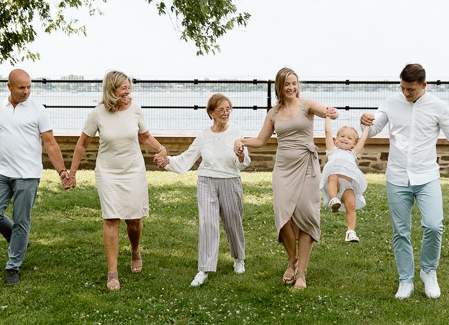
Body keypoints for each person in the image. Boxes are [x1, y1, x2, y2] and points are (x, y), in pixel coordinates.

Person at [360, 63, 449, 300]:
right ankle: (406, 280)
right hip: (396, 177)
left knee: (434, 225)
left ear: (424, 85)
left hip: (427, 177)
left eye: (411, 89)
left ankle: (428, 271)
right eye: (403, 88)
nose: (406, 93)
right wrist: (364, 121)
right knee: (400, 231)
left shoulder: (438, 106)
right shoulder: (391, 102)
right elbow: (373, 130)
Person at [235, 67, 338, 290]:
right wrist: (241, 140)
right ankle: (292, 260)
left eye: (294, 83)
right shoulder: (273, 113)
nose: (291, 87)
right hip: (283, 168)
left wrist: (332, 111)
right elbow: (261, 140)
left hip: (307, 167)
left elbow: (328, 112)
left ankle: (301, 272)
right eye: (286, 84)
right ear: (279, 87)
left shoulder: (307, 105)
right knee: (284, 218)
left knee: (306, 215)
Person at [0, 69, 70, 285]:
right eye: (22, 87)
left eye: (29, 87)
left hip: (28, 175)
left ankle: (12, 266)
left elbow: (50, 142)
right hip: (2, 171)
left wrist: (62, 171)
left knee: (22, 220)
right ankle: (18, 240)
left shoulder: (38, 110)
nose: (26, 91)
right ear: (10, 87)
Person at [67, 70, 167, 291]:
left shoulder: (136, 110)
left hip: (133, 170)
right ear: (111, 90)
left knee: (134, 220)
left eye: (129, 87)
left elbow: (144, 136)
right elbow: (82, 143)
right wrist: (72, 173)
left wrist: (161, 149)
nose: (127, 91)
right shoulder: (98, 113)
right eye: (123, 87)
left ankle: (134, 250)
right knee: (111, 218)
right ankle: (112, 273)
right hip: (107, 172)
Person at [156, 93, 251, 287]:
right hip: (206, 181)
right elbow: (187, 158)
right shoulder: (204, 135)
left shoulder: (236, 133)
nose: (225, 113)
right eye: (221, 110)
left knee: (233, 222)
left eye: (228, 109)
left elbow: (243, 163)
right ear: (211, 113)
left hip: (230, 181)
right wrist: (167, 162)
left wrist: (240, 155)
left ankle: (238, 258)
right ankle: (204, 268)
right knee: (208, 224)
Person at [320, 117, 370, 242]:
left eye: (349, 138)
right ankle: (333, 199)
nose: (345, 139)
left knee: (351, 206)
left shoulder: (352, 153)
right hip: (334, 185)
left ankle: (351, 232)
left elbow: (363, 139)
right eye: (342, 136)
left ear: (354, 143)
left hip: (348, 186)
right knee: (333, 176)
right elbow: (328, 133)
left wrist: (367, 127)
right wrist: (328, 118)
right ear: (336, 139)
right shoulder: (332, 151)